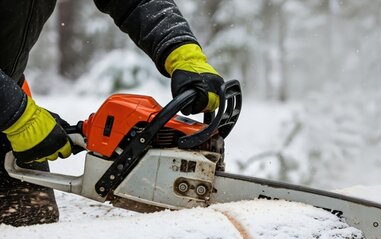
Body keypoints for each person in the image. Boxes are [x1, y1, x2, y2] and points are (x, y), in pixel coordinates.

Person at [0, 0, 223, 226]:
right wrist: (16, 114)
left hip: (8, 101)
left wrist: (182, 51)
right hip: (8, 108)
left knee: (30, 215)